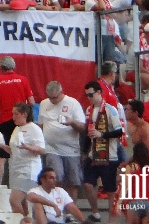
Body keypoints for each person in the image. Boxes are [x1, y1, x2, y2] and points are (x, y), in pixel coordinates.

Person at [0, 56, 35, 184]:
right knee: (22, 154)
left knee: (1, 157)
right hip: (21, 123)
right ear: (14, 66)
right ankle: (23, 186)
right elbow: (31, 102)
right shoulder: (23, 80)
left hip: (4, 121)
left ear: (1, 68)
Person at [37, 81, 85, 199]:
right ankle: (55, 204)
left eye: (54, 98)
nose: (52, 101)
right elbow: (41, 124)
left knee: (73, 181)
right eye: (50, 98)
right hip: (51, 147)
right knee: (55, 176)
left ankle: (70, 210)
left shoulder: (73, 103)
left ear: (61, 93)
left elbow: (82, 127)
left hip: (70, 148)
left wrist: (71, 122)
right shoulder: (44, 104)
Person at [83, 81, 123, 221]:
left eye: (91, 94)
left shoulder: (110, 109)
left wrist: (102, 135)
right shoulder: (89, 110)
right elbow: (88, 132)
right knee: (87, 184)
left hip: (109, 155)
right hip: (93, 154)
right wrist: (84, 152)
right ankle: (96, 213)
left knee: (110, 190)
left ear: (99, 92)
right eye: (87, 95)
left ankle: (111, 221)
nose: (89, 98)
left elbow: (119, 131)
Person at [2, 102, 46, 215]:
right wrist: (2, 146)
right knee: (23, 203)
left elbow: (41, 149)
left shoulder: (34, 129)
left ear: (24, 114)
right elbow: (14, 150)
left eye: (16, 114)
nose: (13, 117)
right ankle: (27, 221)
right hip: (15, 168)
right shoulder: (17, 129)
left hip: (28, 169)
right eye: (13, 114)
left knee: (14, 200)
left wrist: (28, 147)